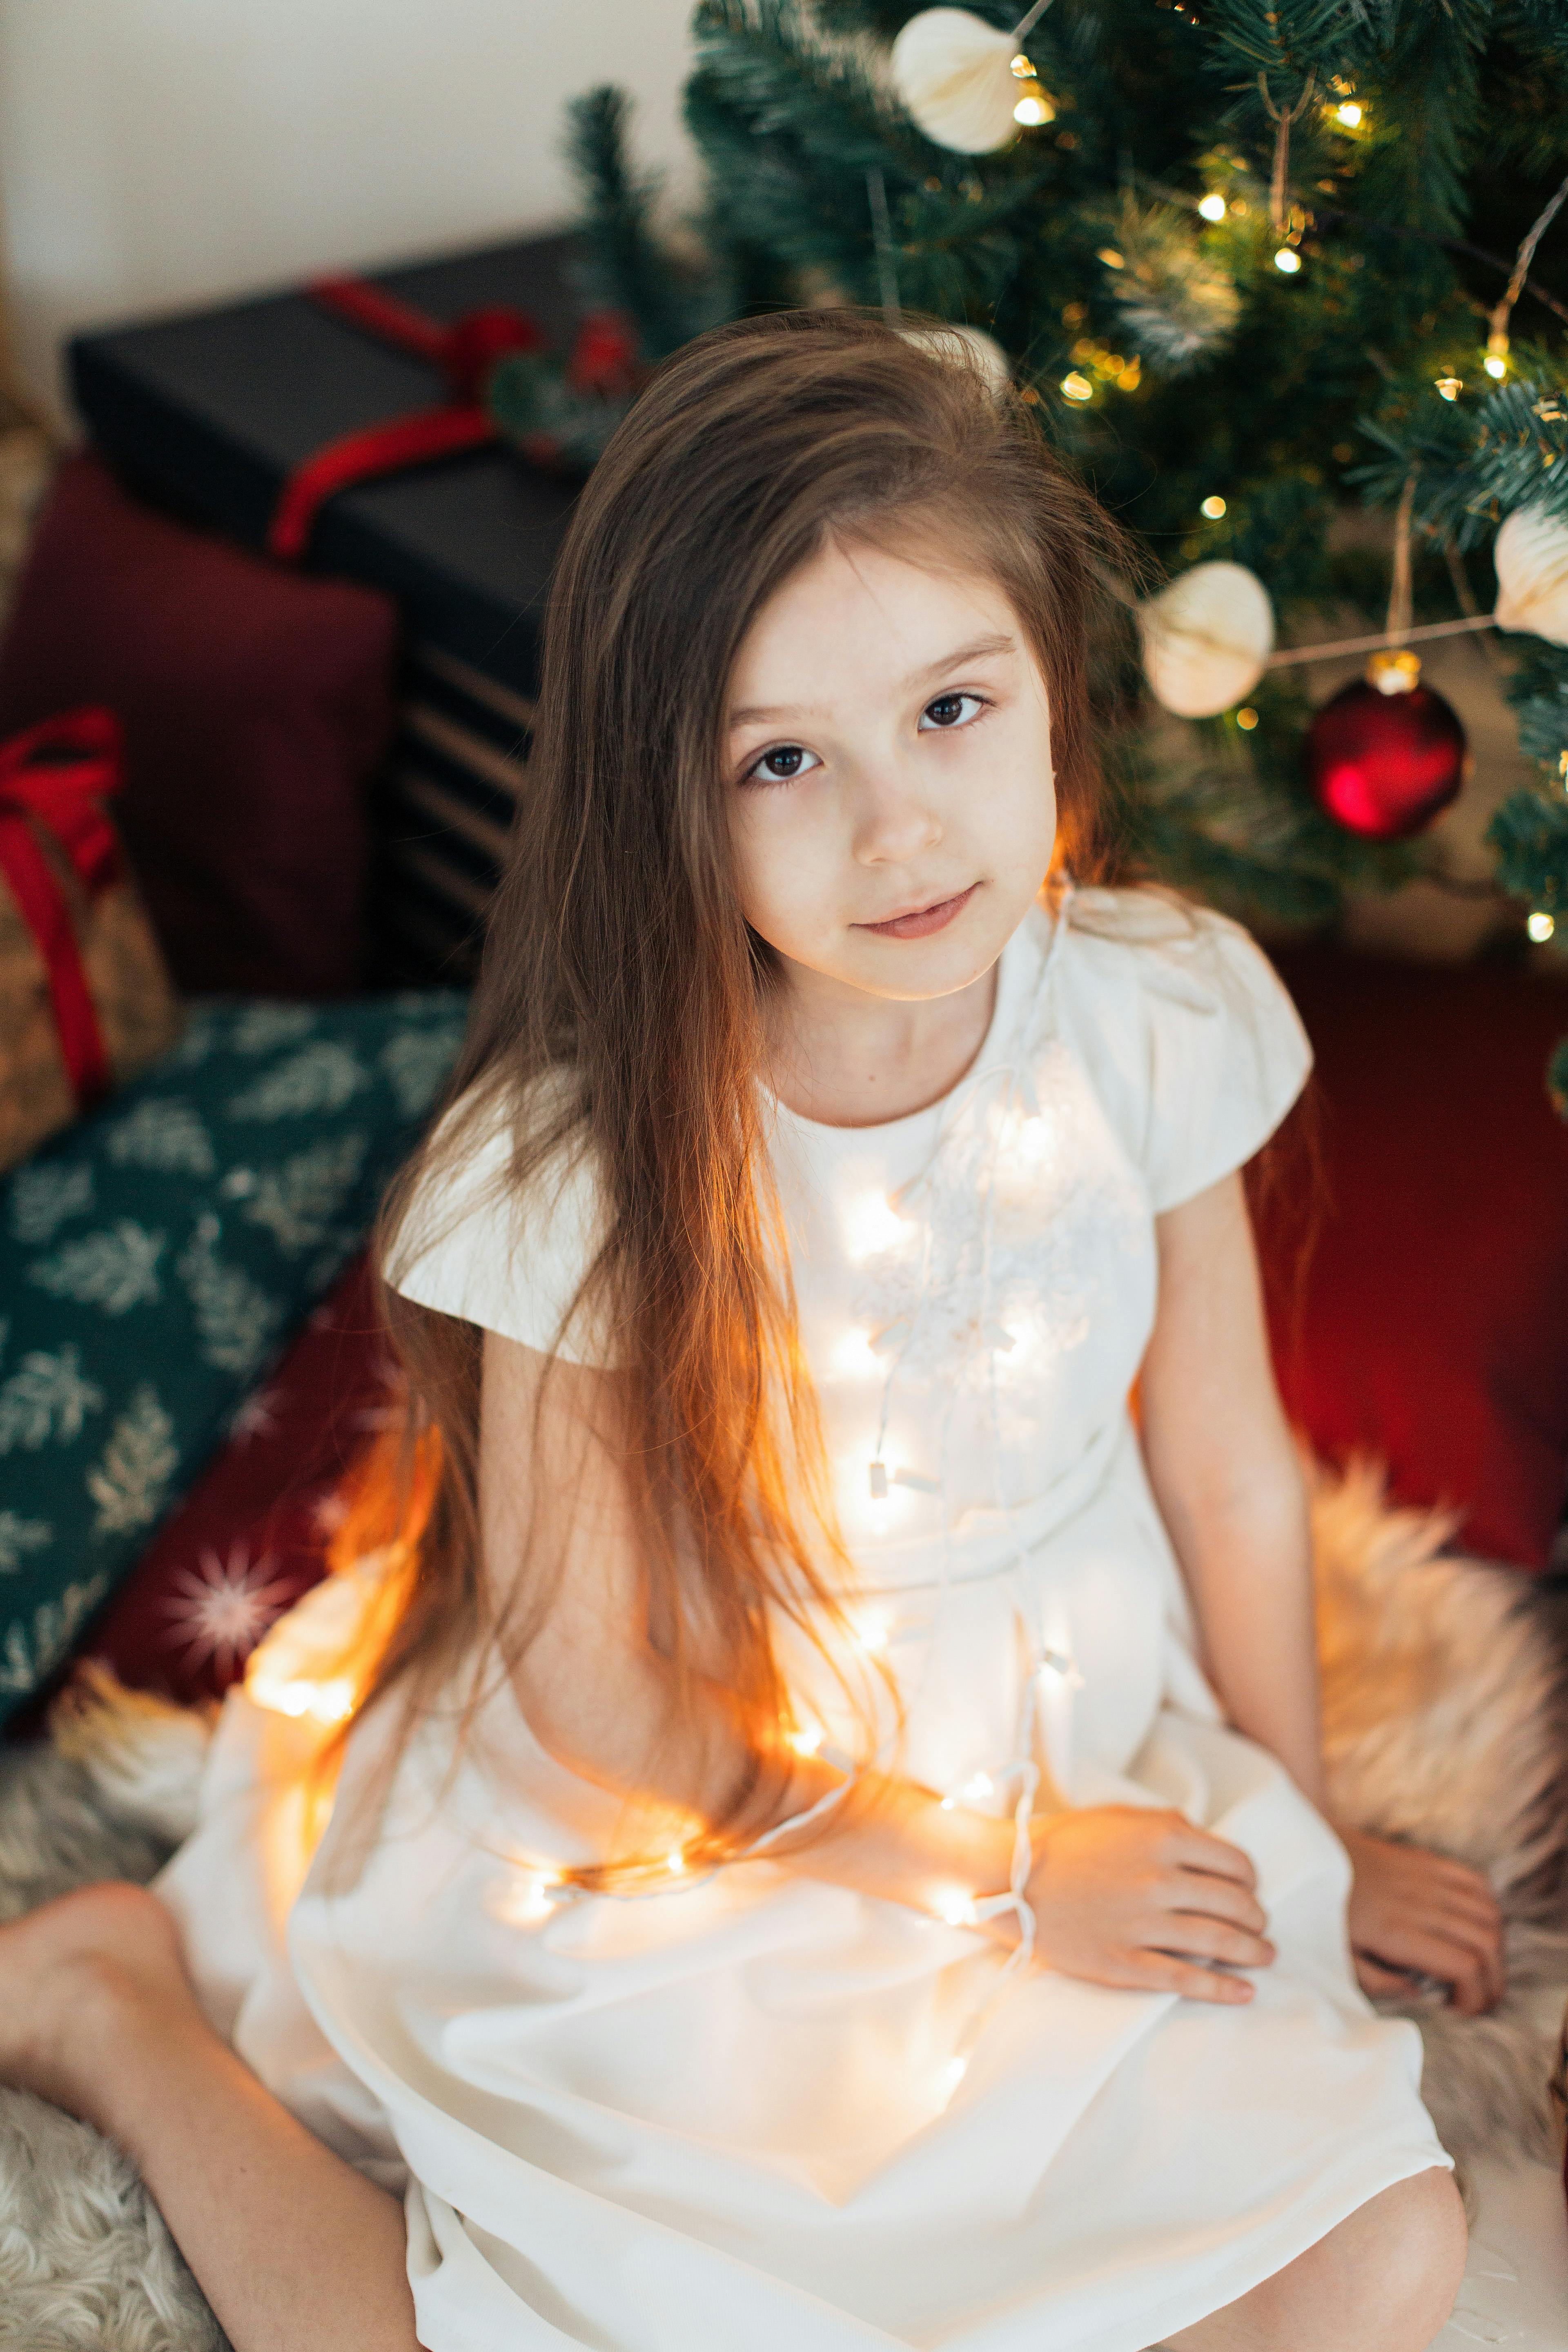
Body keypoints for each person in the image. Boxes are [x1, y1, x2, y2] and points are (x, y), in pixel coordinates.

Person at [0, 312, 1503, 2352]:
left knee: (1390, 2251)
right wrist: (990, 1876)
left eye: (953, 711)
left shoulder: (1149, 1005)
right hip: (719, 1813)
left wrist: (1307, 1821)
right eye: (784, 758)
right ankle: (116, 2015)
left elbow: (1227, 1466)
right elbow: (604, 1703)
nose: (896, 828)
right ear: (665, 799)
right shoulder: (580, 1167)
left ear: (1054, 692)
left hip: (1071, 1727)